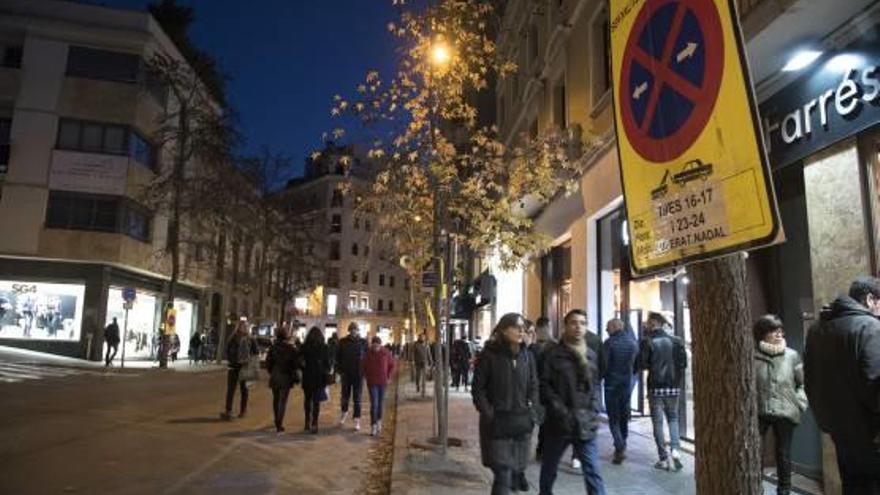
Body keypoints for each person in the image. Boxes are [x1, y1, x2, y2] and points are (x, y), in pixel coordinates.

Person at [804, 276, 880, 494]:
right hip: (872, 437)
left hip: (840, 434)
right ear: (870, 299)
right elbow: (876, 386)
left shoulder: (817, 329)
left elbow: (810, 381)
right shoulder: (870, 327)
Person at [539, 309, 606, 495]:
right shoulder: (552, 355)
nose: (578, 327)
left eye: (583, 323)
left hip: (586, 423)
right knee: (549, 469)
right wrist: (560, 411)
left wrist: (594, 409)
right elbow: (544, 386)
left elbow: (596, 385)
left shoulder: (591, 355)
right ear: (565, 326)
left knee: (593, 471)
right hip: (559, 424)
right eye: (574, 323)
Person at [472, 313, 538, 495]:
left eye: (523, 327)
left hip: (521, 424)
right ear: (503, 329)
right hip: (497, 426)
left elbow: (534, 385)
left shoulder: (527, 356)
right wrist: (490, 414)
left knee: (514, 472)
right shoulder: (489, 355)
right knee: (503, 474)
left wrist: (533, 412)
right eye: (516, 326)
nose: (521, 330)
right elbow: (478, 390)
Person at [754, 314, 808, 495]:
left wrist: (799, 403)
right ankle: (755, 487)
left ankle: (784, 490)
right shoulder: (752, 355)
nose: (779, 334)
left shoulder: (792, 355)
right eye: (773, 330)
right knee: (755, 452)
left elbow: (803, 383)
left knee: (783, 453)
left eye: (780, 330)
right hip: (759, 410)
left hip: (786, 409)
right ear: (762, 334)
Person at [638, 310, 687, 472]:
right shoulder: (677, 341)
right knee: (673, 418)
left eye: (648, 323)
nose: (646, 325)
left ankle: (663, 458)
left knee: (657, 423)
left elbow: (643, 364)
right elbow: (683, 364)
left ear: (653, 323)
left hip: (656, 387)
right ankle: (675, 449)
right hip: (674, 387)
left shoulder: (648, 341)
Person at [603, 318, 639, 464]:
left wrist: (603, 376)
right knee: (623, 415)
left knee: (613, 417)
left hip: (612, 384)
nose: (606, 330)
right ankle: (622, 442)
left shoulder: (609, 343)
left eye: (607, 328)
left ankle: (619, 445)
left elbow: (604, 364)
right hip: (626, 384)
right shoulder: (632, 343)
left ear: (613, 327)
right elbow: (636, 364)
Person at [266, 327, 301, 433]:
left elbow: (268, 363)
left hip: (275, 375)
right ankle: (279, 423)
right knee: (282, 401)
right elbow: (296, 363)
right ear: (286, 336)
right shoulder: (290, 348)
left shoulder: (273, 347)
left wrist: (272, 371)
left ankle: (276, 420)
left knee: (276, 400)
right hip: (286, 376)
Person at [220, 321, 258, 420]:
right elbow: (227, 350)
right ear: (238, 327)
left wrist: (251, 363)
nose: (244, 328)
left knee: (244, 390)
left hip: (245, 367)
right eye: (242, 326)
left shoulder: (251, 339)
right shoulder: (232, 338)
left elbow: (256, 352)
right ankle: (228, 410)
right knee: (231, 389)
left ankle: (243, 410)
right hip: (233, 367)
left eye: (246, 326)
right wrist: (230, 359)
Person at [337, 322, 368, 431]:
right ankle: (344, 413)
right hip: (346, 374)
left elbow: (367, 358)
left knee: (357, 398)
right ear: (349, 330)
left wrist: (365, 372)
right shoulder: (343, 342)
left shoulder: (363, 342)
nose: (353, 331)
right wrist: (339, 371)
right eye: (352, 329)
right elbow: (338, 357)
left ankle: (356, 419)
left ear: (358, 330)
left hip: (358, 375)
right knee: (345, 396)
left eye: (355, 329)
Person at [362, 336, 396, 436]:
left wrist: (388, 376)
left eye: (377, 345)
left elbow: (392, 364)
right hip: (372, 383)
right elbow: (363, 366)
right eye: (374, 345)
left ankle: (379, 421)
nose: (375, 347)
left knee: (380, 403)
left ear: (380, 345)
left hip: (382, 382)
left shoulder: (385, 353)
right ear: (372, 345)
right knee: (374, 404)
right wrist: (366, 376)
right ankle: (373, 425)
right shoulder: (368, 353)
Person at [533, 316, 556, 461]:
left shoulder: (533, 348)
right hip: (546, 390)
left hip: (541, 390)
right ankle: (543, 450)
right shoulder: (554, 346)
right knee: (546, 422)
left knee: (544, 422)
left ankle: (542, 449)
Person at [301, 326, 330, 434]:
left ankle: (307, 421)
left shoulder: (305, 347)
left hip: (307, 376)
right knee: (316, 402)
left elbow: (299, 361)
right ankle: (315, 423)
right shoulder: (324, 347)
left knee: (307, 400)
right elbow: (328, 364)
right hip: (319, 378)